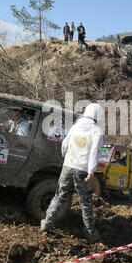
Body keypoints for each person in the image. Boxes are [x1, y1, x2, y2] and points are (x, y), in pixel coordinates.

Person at [41, 103, 104, 244]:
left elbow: (64, 145)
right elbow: (95, 152)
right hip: (82, 170)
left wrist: (67, 160)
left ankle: (46, 223)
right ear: (97, 116)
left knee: (60, 195)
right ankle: (91, 234)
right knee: (85, 201)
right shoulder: (97, 131)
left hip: (68, 166)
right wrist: (91, 171)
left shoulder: (75, 127)